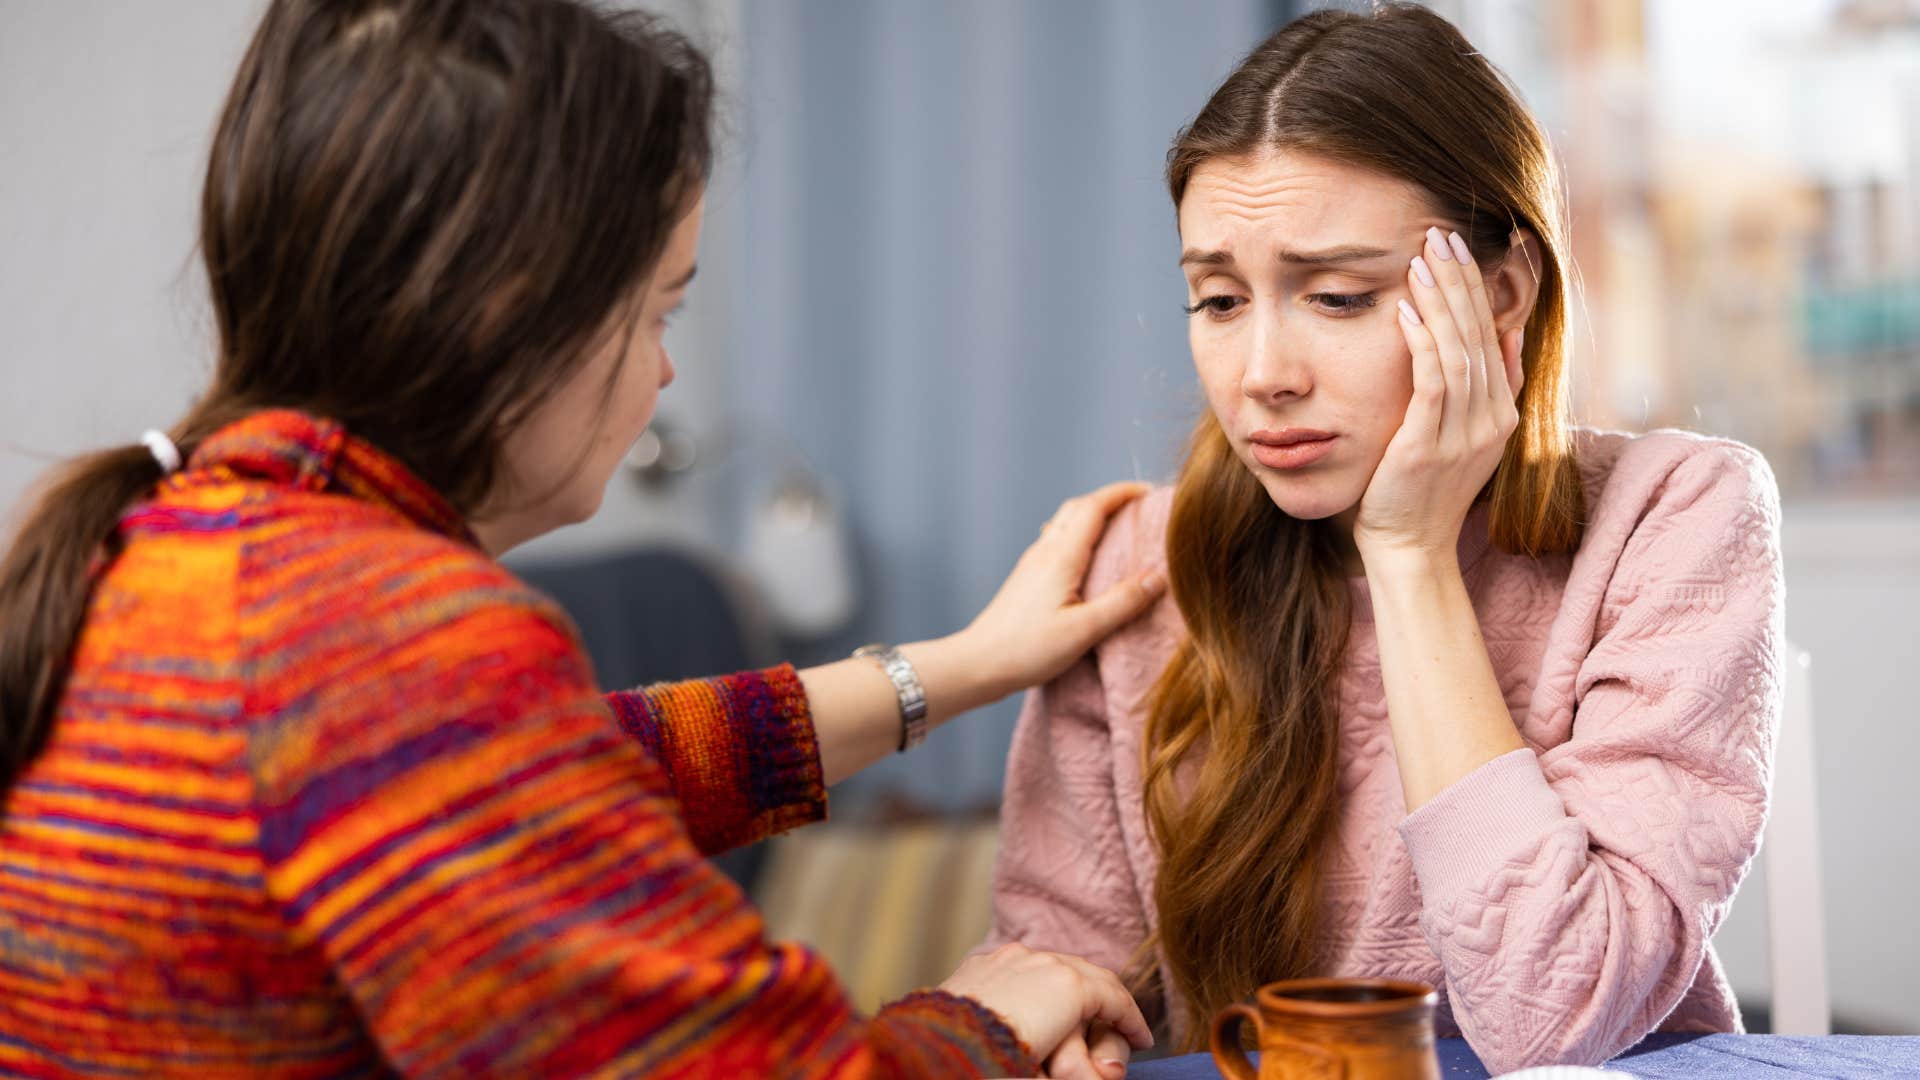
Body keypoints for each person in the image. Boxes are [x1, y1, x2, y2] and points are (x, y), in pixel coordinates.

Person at [0, 2, 1161, 1077]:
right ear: (514, 308)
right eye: (660, 309)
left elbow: (599, 767)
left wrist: (971, 663)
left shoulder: (180, 554)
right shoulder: (374, 640)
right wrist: (986, 1016)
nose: (664, 370)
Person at [981, 5, 1784, 1074]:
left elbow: (1554, 1020)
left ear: (1501, 294)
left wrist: (1410, 559)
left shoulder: (1673, 514)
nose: (1263, 371)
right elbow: (1049, 974)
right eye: (1217, 299)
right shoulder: (1134, 563)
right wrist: (1058, 1027)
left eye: (1337, 297)